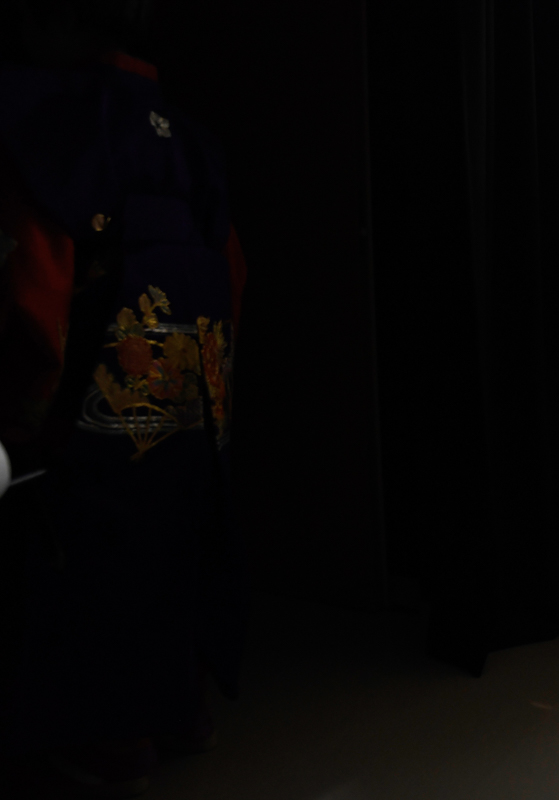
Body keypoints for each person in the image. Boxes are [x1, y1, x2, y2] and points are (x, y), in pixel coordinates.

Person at [0, 2, 247, 795]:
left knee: (86, 554)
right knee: (181, 540)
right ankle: (182, 712)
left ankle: (111, 738)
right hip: (191, 398)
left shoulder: (40, 121)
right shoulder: (194, 141)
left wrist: (25, 416)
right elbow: (231, 278)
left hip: (89, 405)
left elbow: (34, 290)